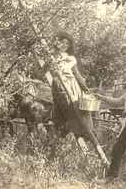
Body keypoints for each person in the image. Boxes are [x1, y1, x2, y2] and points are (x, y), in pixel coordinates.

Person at [48, 31, 109, 165]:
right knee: (57, 121)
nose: (64, 45)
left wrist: (86, 89)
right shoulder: (51, 56)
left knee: (77, 118)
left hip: (70, 89)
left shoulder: (71, 58)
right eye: (62, 42)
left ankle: (92, 148)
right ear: (57, 42)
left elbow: (78, 75)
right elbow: (47, 71)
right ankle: (52, 155)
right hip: (57, 90)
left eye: (67, 44)